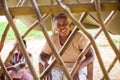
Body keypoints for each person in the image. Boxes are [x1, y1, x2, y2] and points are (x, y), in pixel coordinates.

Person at [39, 13, 94, 80]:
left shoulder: (79, 37)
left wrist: (77, 68)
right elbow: (42, 55)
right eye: (58, 25)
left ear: (70, 25)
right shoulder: (52, 38)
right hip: (56, 68)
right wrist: (45, 63)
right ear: (55, 29)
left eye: (65, 24)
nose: (62, 27)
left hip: (74, 67)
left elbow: (91, 56)